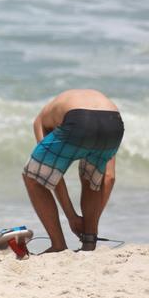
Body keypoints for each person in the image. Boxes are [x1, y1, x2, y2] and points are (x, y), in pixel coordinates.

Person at [22, 89, 124, 252]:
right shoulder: (92, 100)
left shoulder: (40, 121)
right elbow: (109, 178)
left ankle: (58, 245)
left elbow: (49, 175)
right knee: (92, 178)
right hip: (113, 122)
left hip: (78, 120)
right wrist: (91, 222)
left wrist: (72, 217)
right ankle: (89, 242)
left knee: (33, 177)